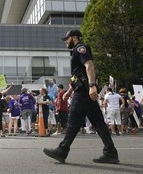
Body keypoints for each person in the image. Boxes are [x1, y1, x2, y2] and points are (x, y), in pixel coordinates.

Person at [43, 29, 119, 164]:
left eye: (67, 39)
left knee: (73, 120)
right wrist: (69, 92)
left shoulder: (80, 48)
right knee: (98, 122)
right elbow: (77, 76)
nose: (66, 41)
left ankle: (62, 150)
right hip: (83, 91)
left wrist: (92, 85)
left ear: (74, 38)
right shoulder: (75, 51)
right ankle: (111, 152)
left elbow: (89, 65)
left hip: (84, 92)